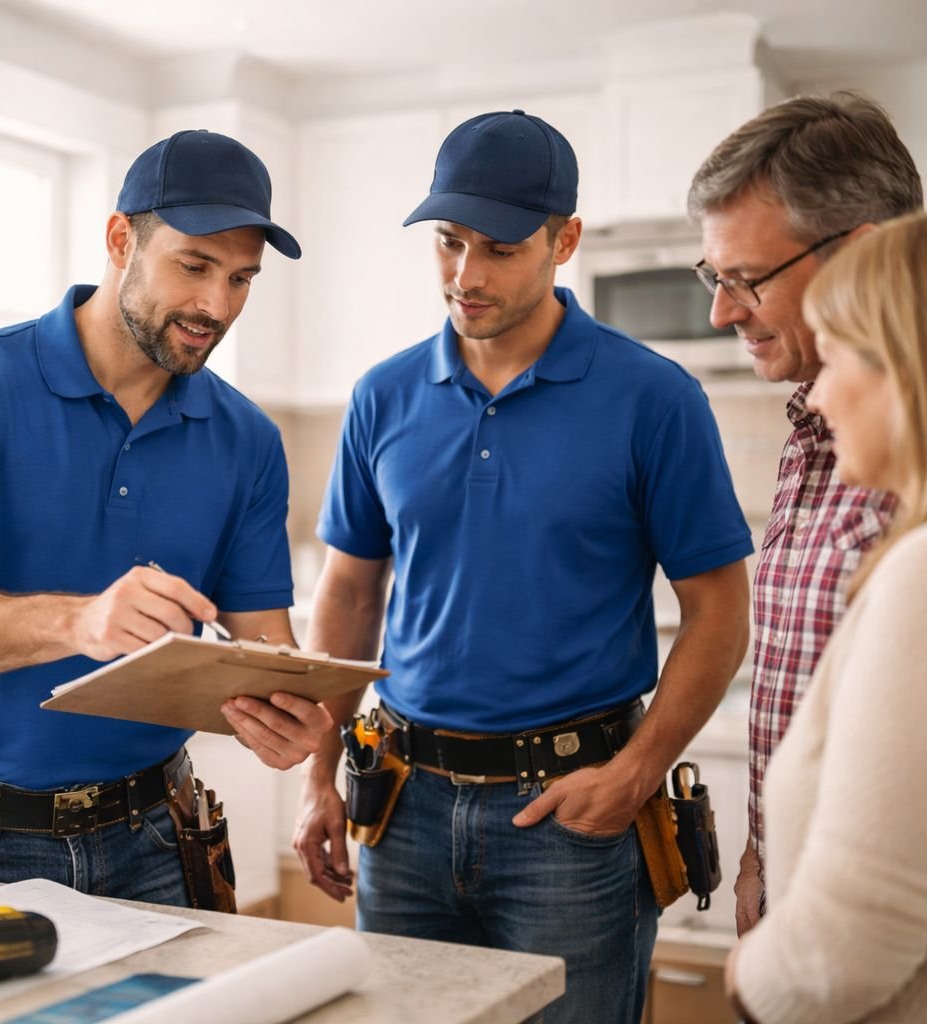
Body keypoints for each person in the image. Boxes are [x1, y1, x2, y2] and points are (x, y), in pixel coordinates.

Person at [293, 109, 753, 1024]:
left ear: (564, 241)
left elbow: (719, 614)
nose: (467, 276)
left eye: (500, 248)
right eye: (449, 243)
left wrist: (636, 773)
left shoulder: (654, 398)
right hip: (401, 808)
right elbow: (349, 589)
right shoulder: (383, 396)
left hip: (571, 820)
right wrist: (317, 770)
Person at [0, 129, 332, 906]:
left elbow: (263, 639)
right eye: (194, 266)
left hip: (161, 842)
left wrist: (285, 711)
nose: (216, 306)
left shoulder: (249, 440)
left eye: (241, 279)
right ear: (118, 239)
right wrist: (78, 623)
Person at [686, 91, 923, 935]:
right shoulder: (811, 429)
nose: (720, 311)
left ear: (859, 255)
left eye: (745, 279)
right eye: (714, 278)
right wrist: (762, 855)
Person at [725, 211, 927, 1023]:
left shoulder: (917, 575)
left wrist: (746, 980)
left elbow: (843, 949)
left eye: (840, 357)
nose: (824, 393)